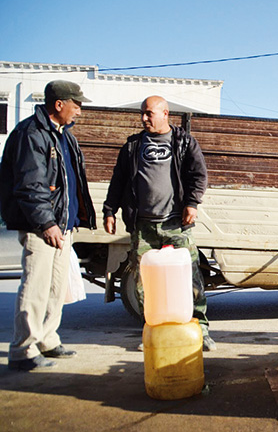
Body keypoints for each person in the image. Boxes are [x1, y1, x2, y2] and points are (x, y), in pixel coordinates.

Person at [102, 96, 215, 351]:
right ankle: (152, 332)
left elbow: (199, 175)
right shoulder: (132, 146)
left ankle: (202, 330)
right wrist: (109, 210)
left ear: (166, 113)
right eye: (142, 113)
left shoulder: (184, 142)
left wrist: (192, 203)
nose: (144, 118)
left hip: (176, 224)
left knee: (191, 278)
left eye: (149, 113)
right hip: (143, 226)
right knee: (145, 283)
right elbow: (118, 181)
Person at [0, 80, 96, 371]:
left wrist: (71, 221)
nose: (79, 111)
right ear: (59, 104)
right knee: (36, 287)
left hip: (61, 225)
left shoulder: (63, 135)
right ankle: (22, 350)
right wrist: (47, 223)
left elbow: (70, 182)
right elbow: (30, 186)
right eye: (76, 105)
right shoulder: (32, 134)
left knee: (56, 288)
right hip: (42, 228)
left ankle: (47, 339)